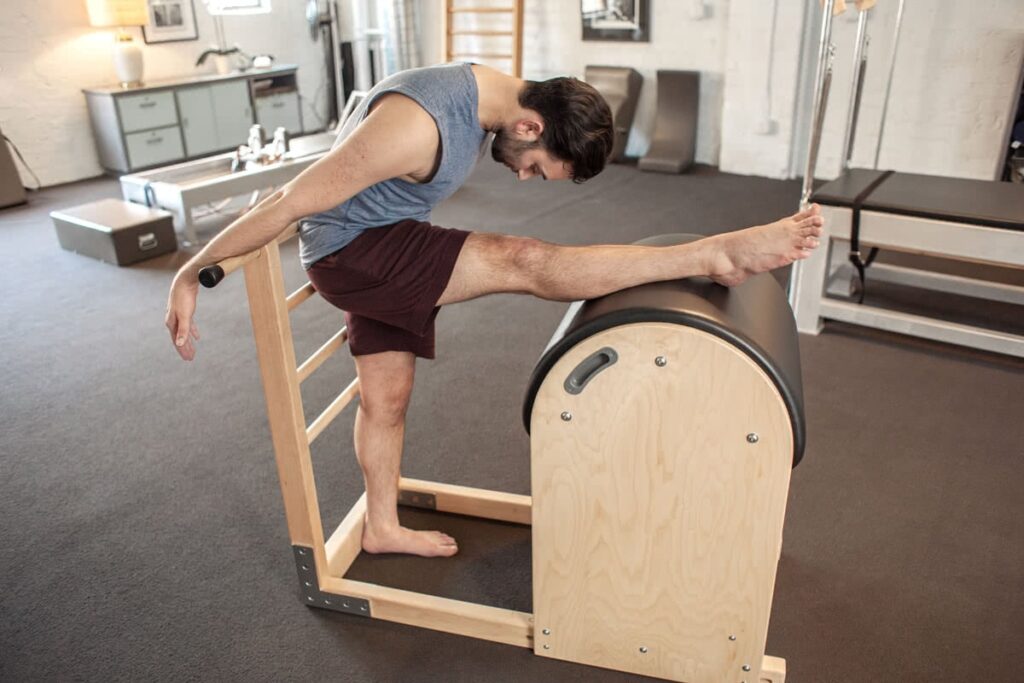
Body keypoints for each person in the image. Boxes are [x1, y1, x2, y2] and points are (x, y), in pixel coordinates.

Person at [165, 63, 824, 558]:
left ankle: (382, 525)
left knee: (386, 396)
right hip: (355, 251)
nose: (525, 178)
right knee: (525, 258)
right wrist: (194, 272)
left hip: (385, 232)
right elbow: (288, 201)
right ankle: (711, 256)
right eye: (539, 168)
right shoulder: (418, 125)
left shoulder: (486, 94)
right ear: (530, 125)